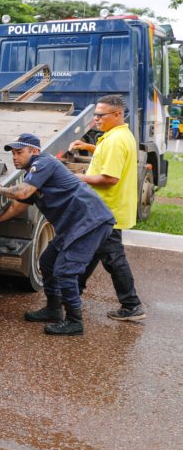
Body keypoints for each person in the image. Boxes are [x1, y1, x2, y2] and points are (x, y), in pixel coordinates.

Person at [0, 133, 114, 336]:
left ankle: (74, 321)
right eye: (13, 154)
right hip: (72, 226)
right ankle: (54, 310)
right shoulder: (32, 174)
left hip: (89, 222)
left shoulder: (43, 163)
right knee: (47, 263)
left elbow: (23, 193)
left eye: (19, 152)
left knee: (65, 271)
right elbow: (16, 208)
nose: (15, 157)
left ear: (34, 151)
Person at [69, 94, 146, 321]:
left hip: (106, 211)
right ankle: (73, 294)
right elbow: (110, 156)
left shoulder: (114, 140)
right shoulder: (121, 134)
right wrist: (88, 147)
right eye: (95, 114)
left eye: (100, 115)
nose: (96, 119)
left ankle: (132, 305)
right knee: (90, 253)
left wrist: (77, 178)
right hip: (109, 209)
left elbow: (110, 178)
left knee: (113, 258)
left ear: (117, 114)